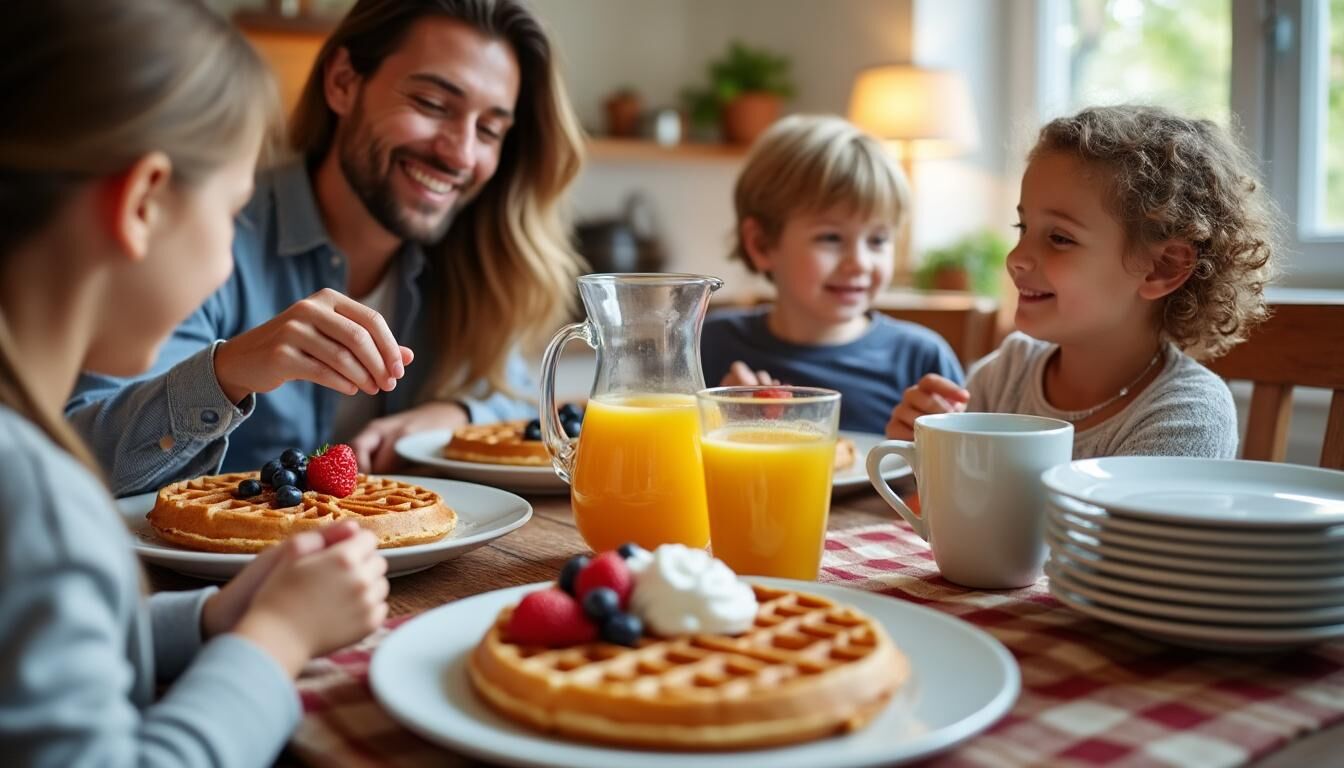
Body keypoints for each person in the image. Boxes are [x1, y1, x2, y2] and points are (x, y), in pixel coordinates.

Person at [0, 1, 389, 764]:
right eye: (234, 211)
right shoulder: (37, 499)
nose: (227, 261)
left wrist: (212, 618)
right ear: (144, 203)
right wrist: (277, 638)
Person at [67, 0, 586, 495]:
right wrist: (227, 373)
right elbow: (77, 455)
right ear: (342, 82)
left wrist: (456, 415)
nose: (462, 152)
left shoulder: (481, 262)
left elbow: (518, 395)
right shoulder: (203, 232)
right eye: (431, 104)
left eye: (491, 130)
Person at [887, 105, 1279, 458]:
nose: (1016, 259)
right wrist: (924, 456)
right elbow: (940, 519)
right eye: (1023, 227)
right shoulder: (1005, 375)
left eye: (1060, 238)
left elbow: (1117, 540)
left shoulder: (1187, 413)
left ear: (1163, 268)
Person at [700, 115, 963, 434]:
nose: (860, 263)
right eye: (831, 238)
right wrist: (716, 419)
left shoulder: (921, 360)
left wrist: (928, 448)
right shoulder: (706, 348)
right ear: (761, 244)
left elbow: (963, 475)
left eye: (878, 240)